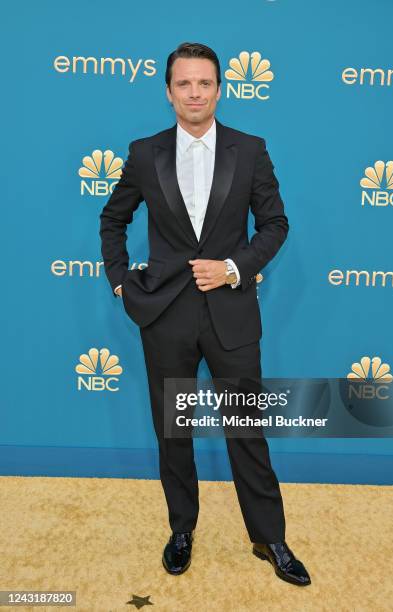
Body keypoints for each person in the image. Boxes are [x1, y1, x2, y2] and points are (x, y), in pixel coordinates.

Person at [99, 41, 311, 587]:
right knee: (174, 434)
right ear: (169, 92)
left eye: (205, 83)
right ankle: (182, 530)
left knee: (247, 430)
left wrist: (233, 268)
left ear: (220, 88)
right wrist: (122, 282)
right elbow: (113, 219)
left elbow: (275, 225)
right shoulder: (145, 153)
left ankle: (270, 538)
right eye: (184, 84)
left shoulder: (251, 148)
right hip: (165, 314)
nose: (195, 93)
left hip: (232, 314)